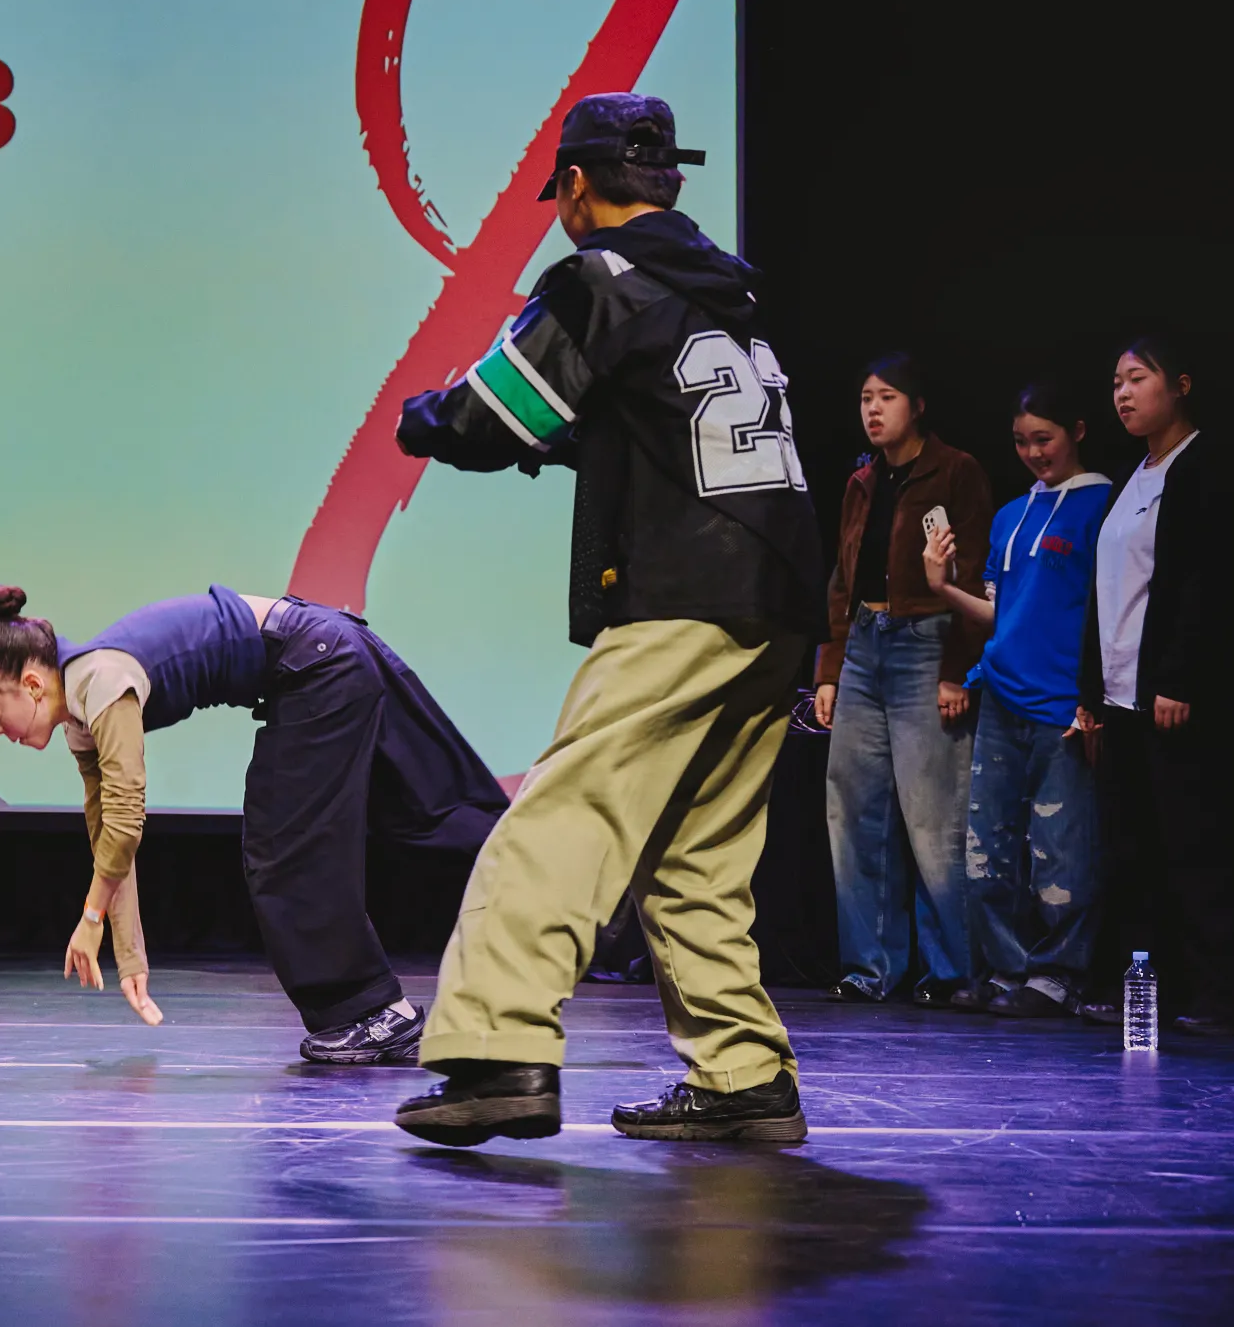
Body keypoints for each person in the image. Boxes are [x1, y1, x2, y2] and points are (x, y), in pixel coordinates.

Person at [388, 92, 825, 1145]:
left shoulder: (600, 280)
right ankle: (742, 1073)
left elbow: (494, 413)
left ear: (577, 186)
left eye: (559, 193)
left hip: (684, 592)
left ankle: (498, 1052)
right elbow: (656, 430)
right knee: (694, 848)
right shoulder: (725, 293)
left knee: (560, 819)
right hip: (777, 599)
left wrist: (421, 419)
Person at [0, 583, 508, 1063]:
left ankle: (378, 1014)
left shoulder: (101, 679)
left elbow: (125, 820)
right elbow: (108, 840)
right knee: (422, 813)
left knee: (285, 847)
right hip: (322, 656)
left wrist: (92, 918)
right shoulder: (81, 713)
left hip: (321, 660)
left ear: (31, 685)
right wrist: (131, 958)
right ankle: (529, 910)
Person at [922, 385, 1111, 1016]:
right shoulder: (1010, 515)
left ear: (1076, 431)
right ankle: (1007, 969)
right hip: (1001, 695)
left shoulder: (1102, 505)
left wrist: (1094, 698)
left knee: (1061, 848)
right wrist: (943, 587)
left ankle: (1058, 975)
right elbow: (1000, 612)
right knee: (988, 850)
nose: (1033, 452)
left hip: (1062, 704)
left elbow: (1107, 610)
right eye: (1021, 441)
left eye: (1044, 439)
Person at [1075, 337, 1234, 1033]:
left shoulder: (1202, 466)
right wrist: (1090, 692)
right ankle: (1148, 990)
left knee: (1191, 848)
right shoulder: (1130, 478)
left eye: (1138, 378)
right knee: (1131, 852)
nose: (1123, 393)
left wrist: (1178, 676)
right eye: (1116, 381)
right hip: (1119, 698)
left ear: (1180, 385)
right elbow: (1107, 589)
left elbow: (1205, 584)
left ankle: (1220, 995)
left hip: (1168, 697)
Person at [817, 353, 993, 1007]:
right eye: (866, 397)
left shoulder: (956, 471)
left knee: (933, 813)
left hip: (927, 643)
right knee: (853, 809)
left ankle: (950, 972)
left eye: (886, 396)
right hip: (865, 644)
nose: (873, 408)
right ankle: (870, 968)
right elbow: (842, 578)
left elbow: (972, 573)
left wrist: (956, 670)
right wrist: (831, 667)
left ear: (917, 406)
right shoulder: (862, 481)